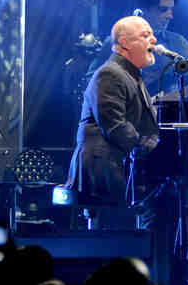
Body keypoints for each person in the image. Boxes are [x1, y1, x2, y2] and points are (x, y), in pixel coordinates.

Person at [65, 15, 159, 206]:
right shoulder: (110, 74)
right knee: (119, 220)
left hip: (115, 165)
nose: (154, 40)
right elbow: (115, 126)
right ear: (124, 43)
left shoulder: (129, 74)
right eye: (145, 35)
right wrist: (151, 148)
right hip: (102, 169)